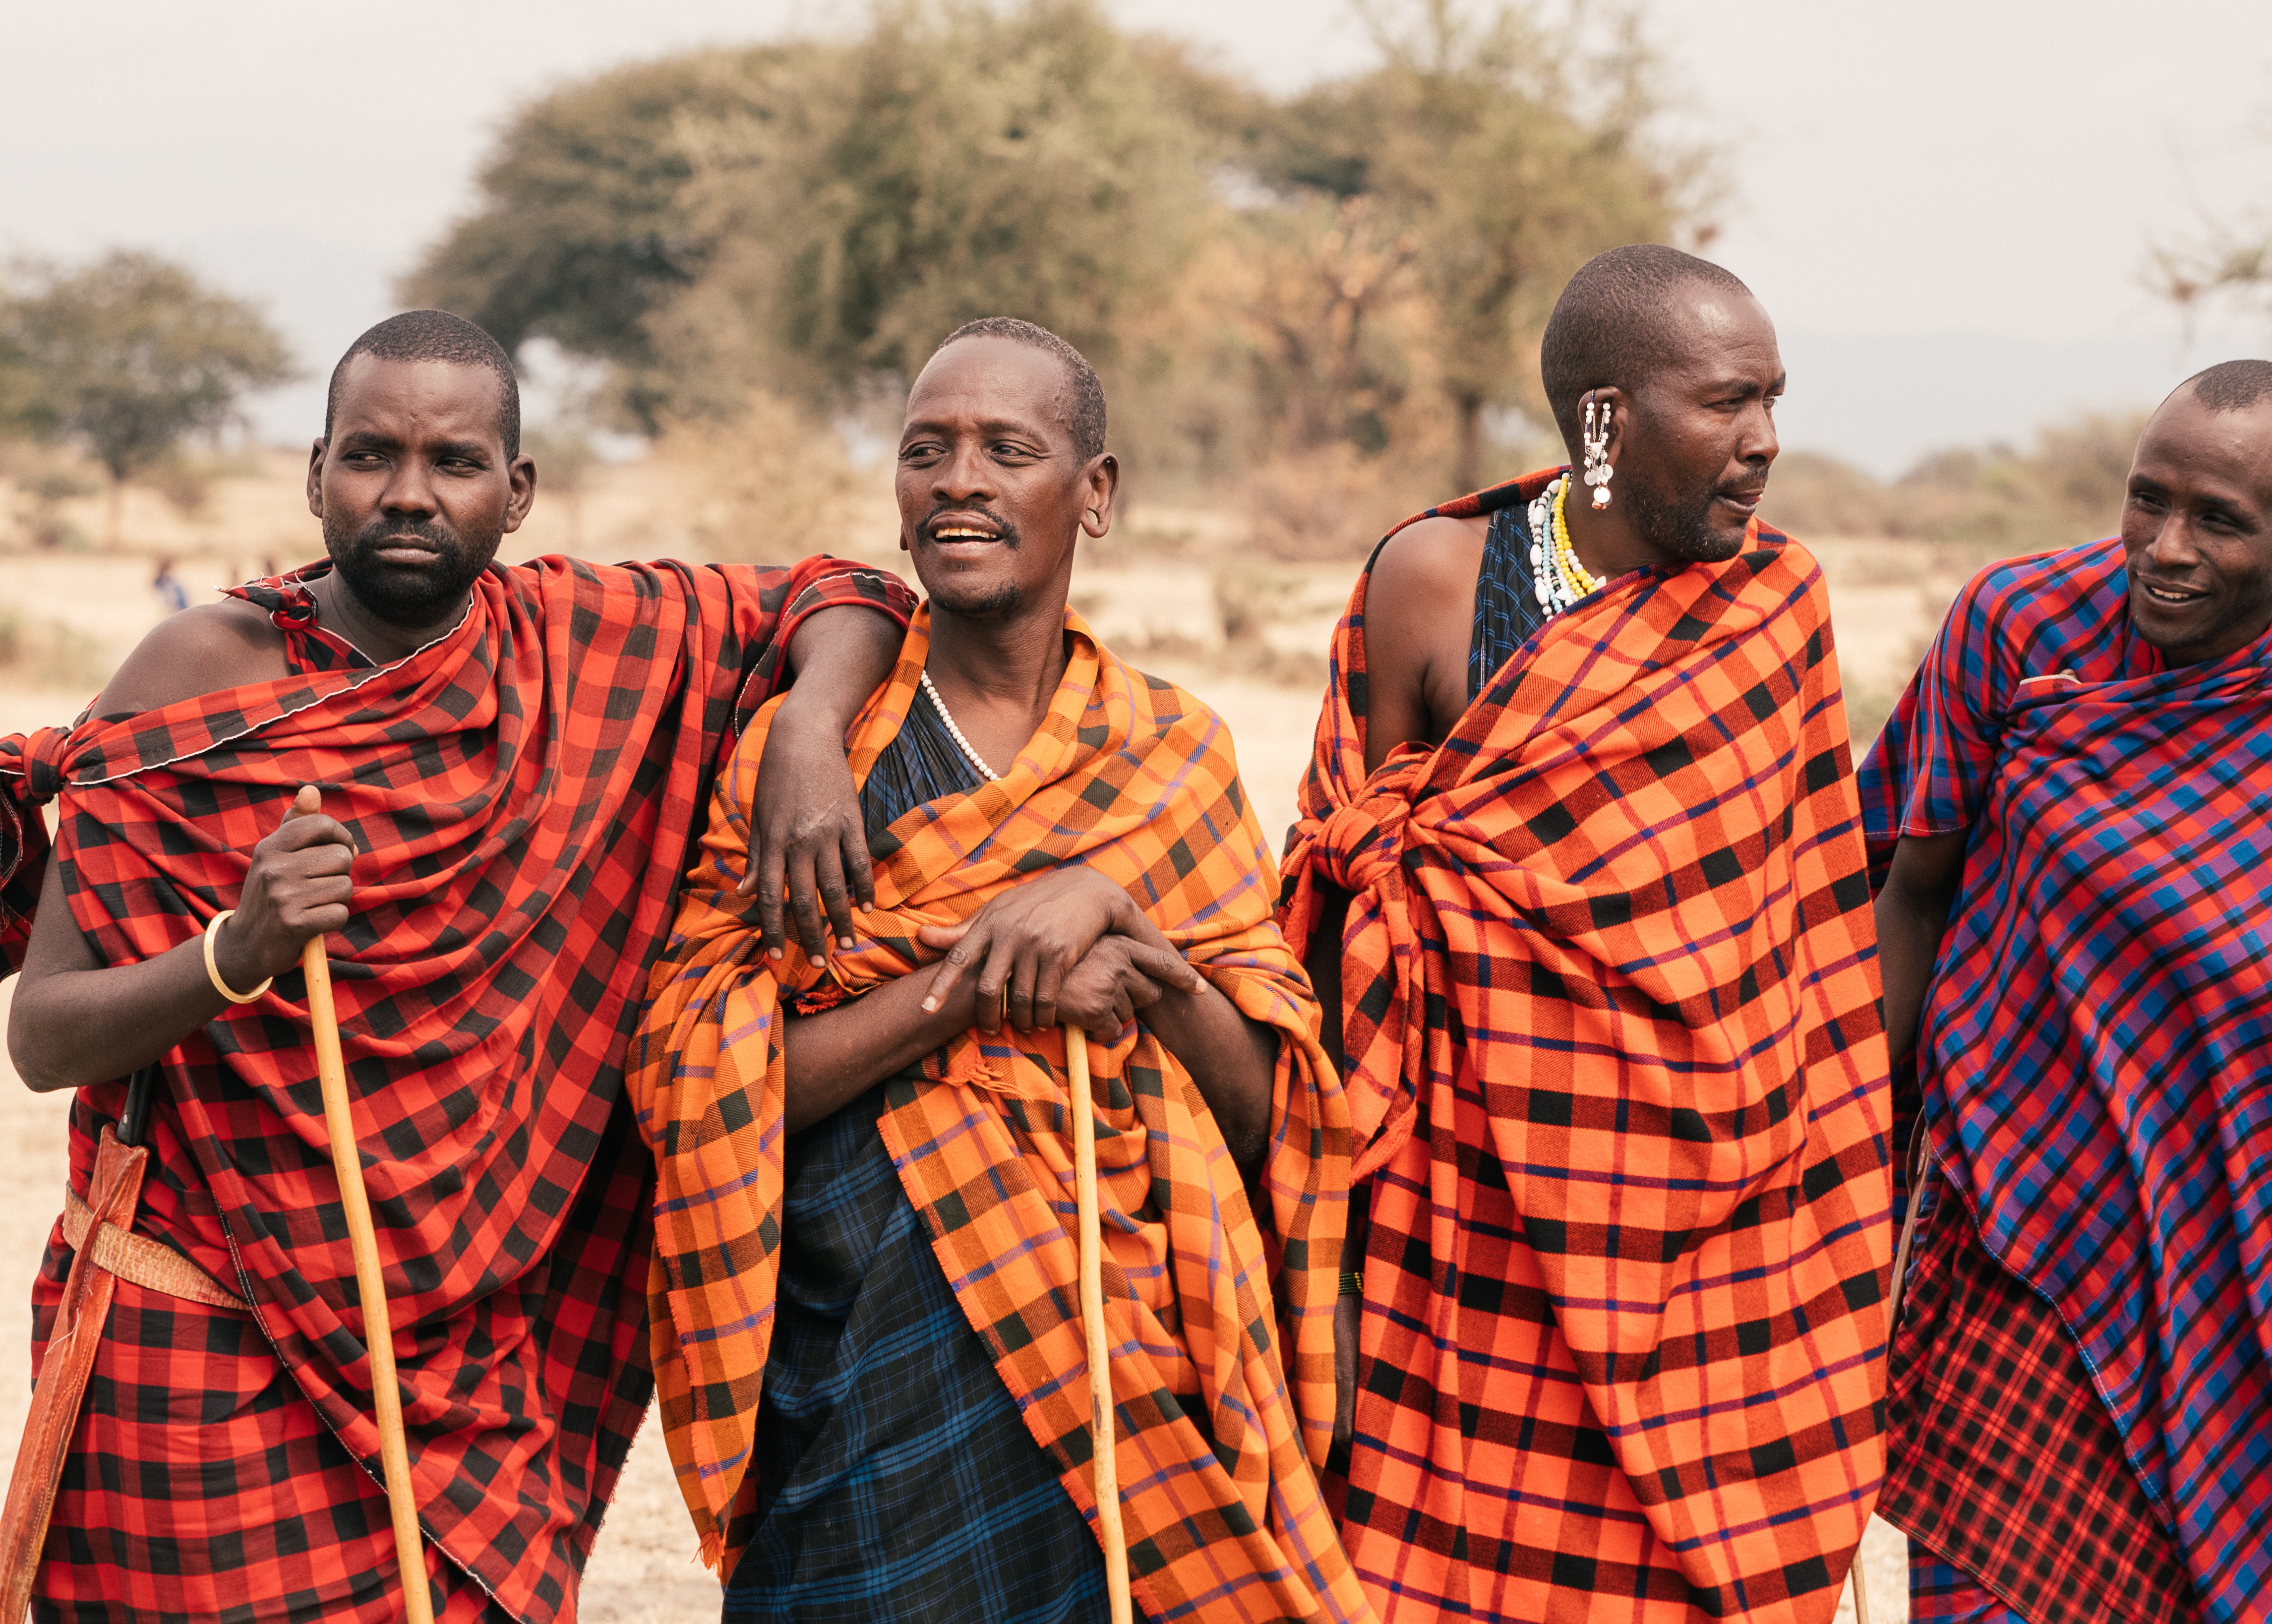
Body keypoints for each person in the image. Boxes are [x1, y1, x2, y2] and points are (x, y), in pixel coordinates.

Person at [0, 311, 915, 1622]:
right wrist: (236, 952)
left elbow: (851, 597)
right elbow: (43, 1037)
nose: (411, 496)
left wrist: (808, 734)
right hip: (206, 1344)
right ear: (316, 476)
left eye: (455, 463)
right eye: (372, 457)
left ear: (517, 491)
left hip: (467, 1354)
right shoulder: (199, 676)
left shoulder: (583, 642)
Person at [632, 317, 1371, 1623]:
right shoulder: (807, 766)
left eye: (1004, 450)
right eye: (926, 453)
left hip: (1126, 1358)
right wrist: (970, 988)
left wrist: (1134, 945)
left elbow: (1269, 1109)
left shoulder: (1169, 755)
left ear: (1095, 495)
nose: (956, 480)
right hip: (854, 1350)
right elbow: (703, 1082)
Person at [1278, 246, 1895, 1624]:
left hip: (1713, 1226)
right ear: (1605, 418)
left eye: (1774, 401)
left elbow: (1794, 944)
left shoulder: (1774, 607)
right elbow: (1352, 885)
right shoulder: (1434, 578)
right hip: (1459, 1230)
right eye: (1730, 403)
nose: (1765, 444)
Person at [1862, 361, 2272, 1624]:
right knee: (2000, 1573)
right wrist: (1871, 1147)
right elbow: (1911, 883)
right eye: (2145, 500)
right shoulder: (2019, 627)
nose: (2164, 548)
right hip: (2036, 1206)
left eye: (2219, 520)